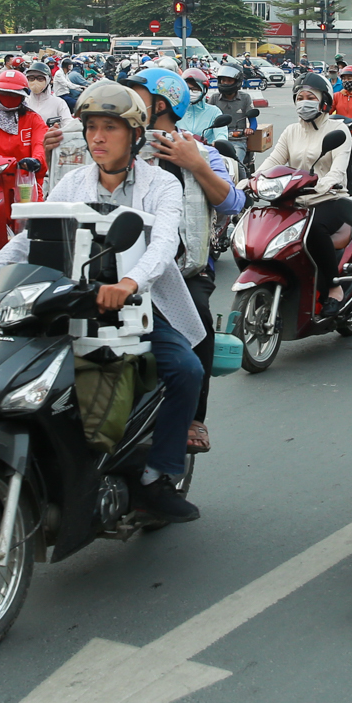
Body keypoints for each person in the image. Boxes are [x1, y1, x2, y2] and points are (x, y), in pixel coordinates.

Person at [0, 81, 207, 523]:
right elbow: (30, 240)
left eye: (110, 128)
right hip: (68, 301)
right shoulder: (72, 182)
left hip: (135, 305)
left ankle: (157, 479)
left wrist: (129, 282)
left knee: (186, 370)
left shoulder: (162, 185)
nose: (98, 138)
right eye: (91, 128)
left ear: (135, 135)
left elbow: (162, 246)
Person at [131, 68, 243, 454]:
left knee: (196, 317)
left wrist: (193, 162)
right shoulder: (120, 144)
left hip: (183, 271)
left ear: (159, 105)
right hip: (120, 268)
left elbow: (232, 202)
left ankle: (195, 415)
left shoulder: (201, 150)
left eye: (136, 96)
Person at [253, 72, 352, 309]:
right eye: (300, 97)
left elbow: (338, 169)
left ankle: (333, 286)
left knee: (313, 229)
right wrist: (250, 181)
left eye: (310, 97)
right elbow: (273, 160)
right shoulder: (291, 131)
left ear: (323, 101)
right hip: (292, 199)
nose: (304, 101)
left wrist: (323, 184)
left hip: (329, 198)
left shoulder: (338, 130)